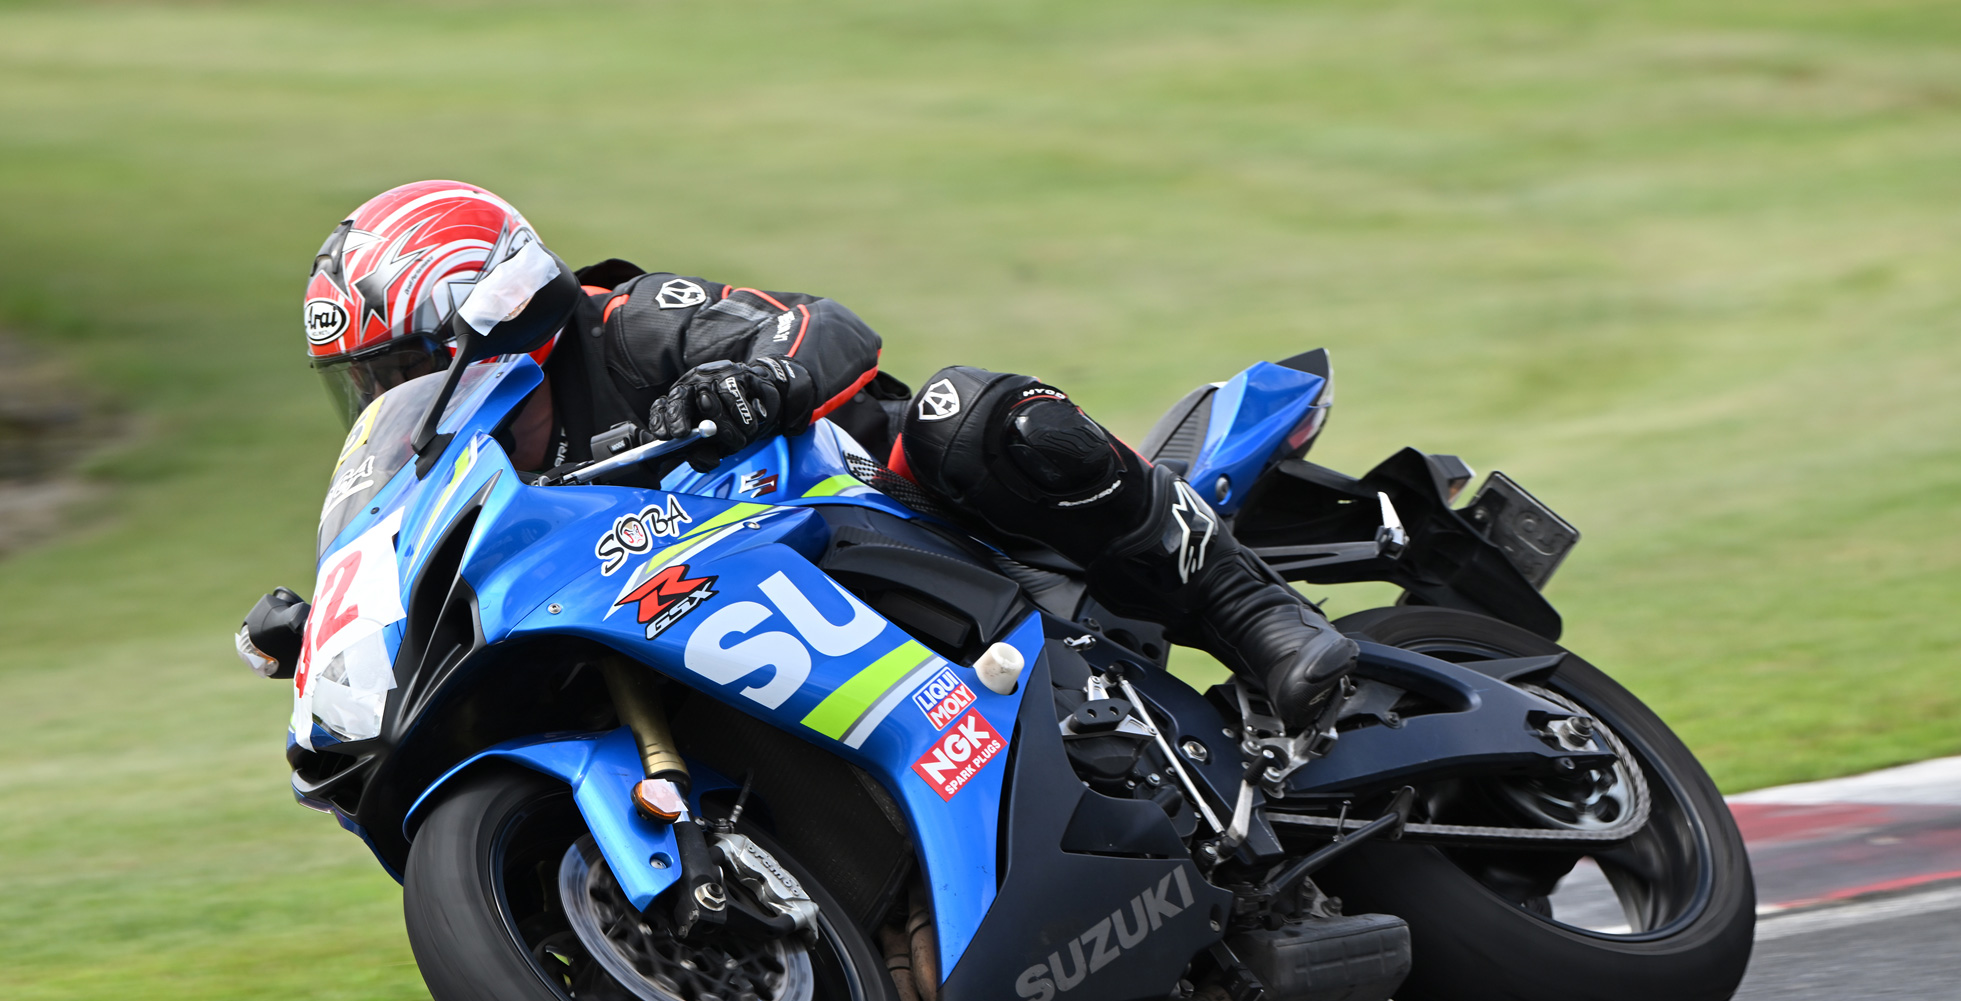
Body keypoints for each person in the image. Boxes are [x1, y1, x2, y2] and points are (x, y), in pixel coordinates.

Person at [250, 180, 1355, 731]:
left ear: (499, 317)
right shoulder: (470, 473)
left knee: (970, 411)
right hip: (720, 629)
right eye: (369, 384)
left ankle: (1253, 611)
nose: (391, 400)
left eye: (408, 366)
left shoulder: (624, 324)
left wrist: (758, 380)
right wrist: (336, 630)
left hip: (896, 517)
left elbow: (822, 327)